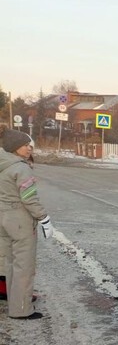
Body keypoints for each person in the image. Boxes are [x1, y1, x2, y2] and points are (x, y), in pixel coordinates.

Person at [0, 130, 52, 319]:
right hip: (20, 221)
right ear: (15, 147)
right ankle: (21, 309)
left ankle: (14, 300)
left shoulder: (3, 163)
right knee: (24, 265)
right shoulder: (20, 168)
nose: (29, 148)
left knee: (10, 262)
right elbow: (29, 199)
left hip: (3, 218)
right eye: (25, 145)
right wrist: (43, 218)